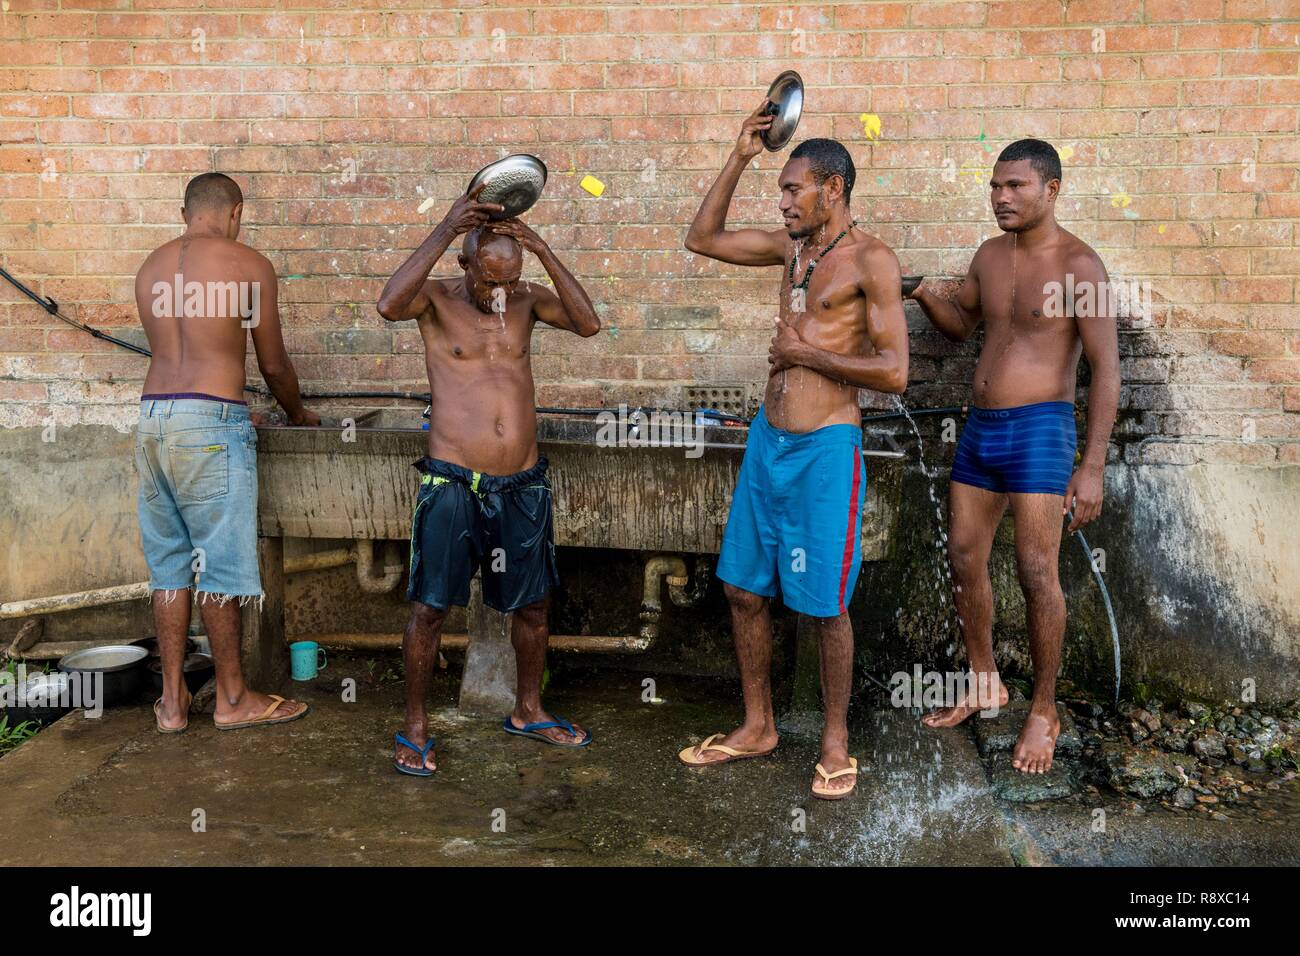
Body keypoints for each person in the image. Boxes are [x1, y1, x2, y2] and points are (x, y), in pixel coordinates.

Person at [678, 104, 909, 800]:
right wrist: (739, 154)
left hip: (826, 450)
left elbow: (896, 371)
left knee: (823, 606)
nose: (782, 204)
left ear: (832, 188)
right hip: (766, 443)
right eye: (778, 190)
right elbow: (702, 237)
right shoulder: (791, 251)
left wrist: (808, 351)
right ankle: (758, 726)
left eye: (792, 190)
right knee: (742, 588)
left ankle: (836, 743)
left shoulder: (872, 260)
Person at [910, 139, 1119, 774]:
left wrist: (1092, 465)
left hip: (1040, 430)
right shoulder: (990, 256)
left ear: (1050, 190)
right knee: (964, 558)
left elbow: (1107, 371)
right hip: (980, 428)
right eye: (995, 186)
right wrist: (922, 293)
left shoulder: (1081, 265)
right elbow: (961, 326)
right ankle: (983, 681)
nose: (1001, 197)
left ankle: (1044, 709)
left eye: (1015, 187)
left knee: (1036, 572)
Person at [377, 185, 601, 776]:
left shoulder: (526, 301)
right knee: (429, 609)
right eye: (488, 279)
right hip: (452, 482)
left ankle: (528, 709)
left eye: (510, 278)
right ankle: (416, 726)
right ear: (465, 261)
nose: (499, 292)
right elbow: (387, 303)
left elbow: (589, 323)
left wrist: (546, 251)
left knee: (533, 606)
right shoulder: (434, 301)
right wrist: (448, 225)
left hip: (522, 485)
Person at [136, 171, 317, 734]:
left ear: (184, 210)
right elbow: (274, 365)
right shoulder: (248, 264)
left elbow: (183, 354)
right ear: (236, 211)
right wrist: (298, 413)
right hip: (210, 425)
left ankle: (172, 703)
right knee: (218, 566)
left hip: (151, 421)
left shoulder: (150, 268)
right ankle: (233, 698)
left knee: (170, 566)